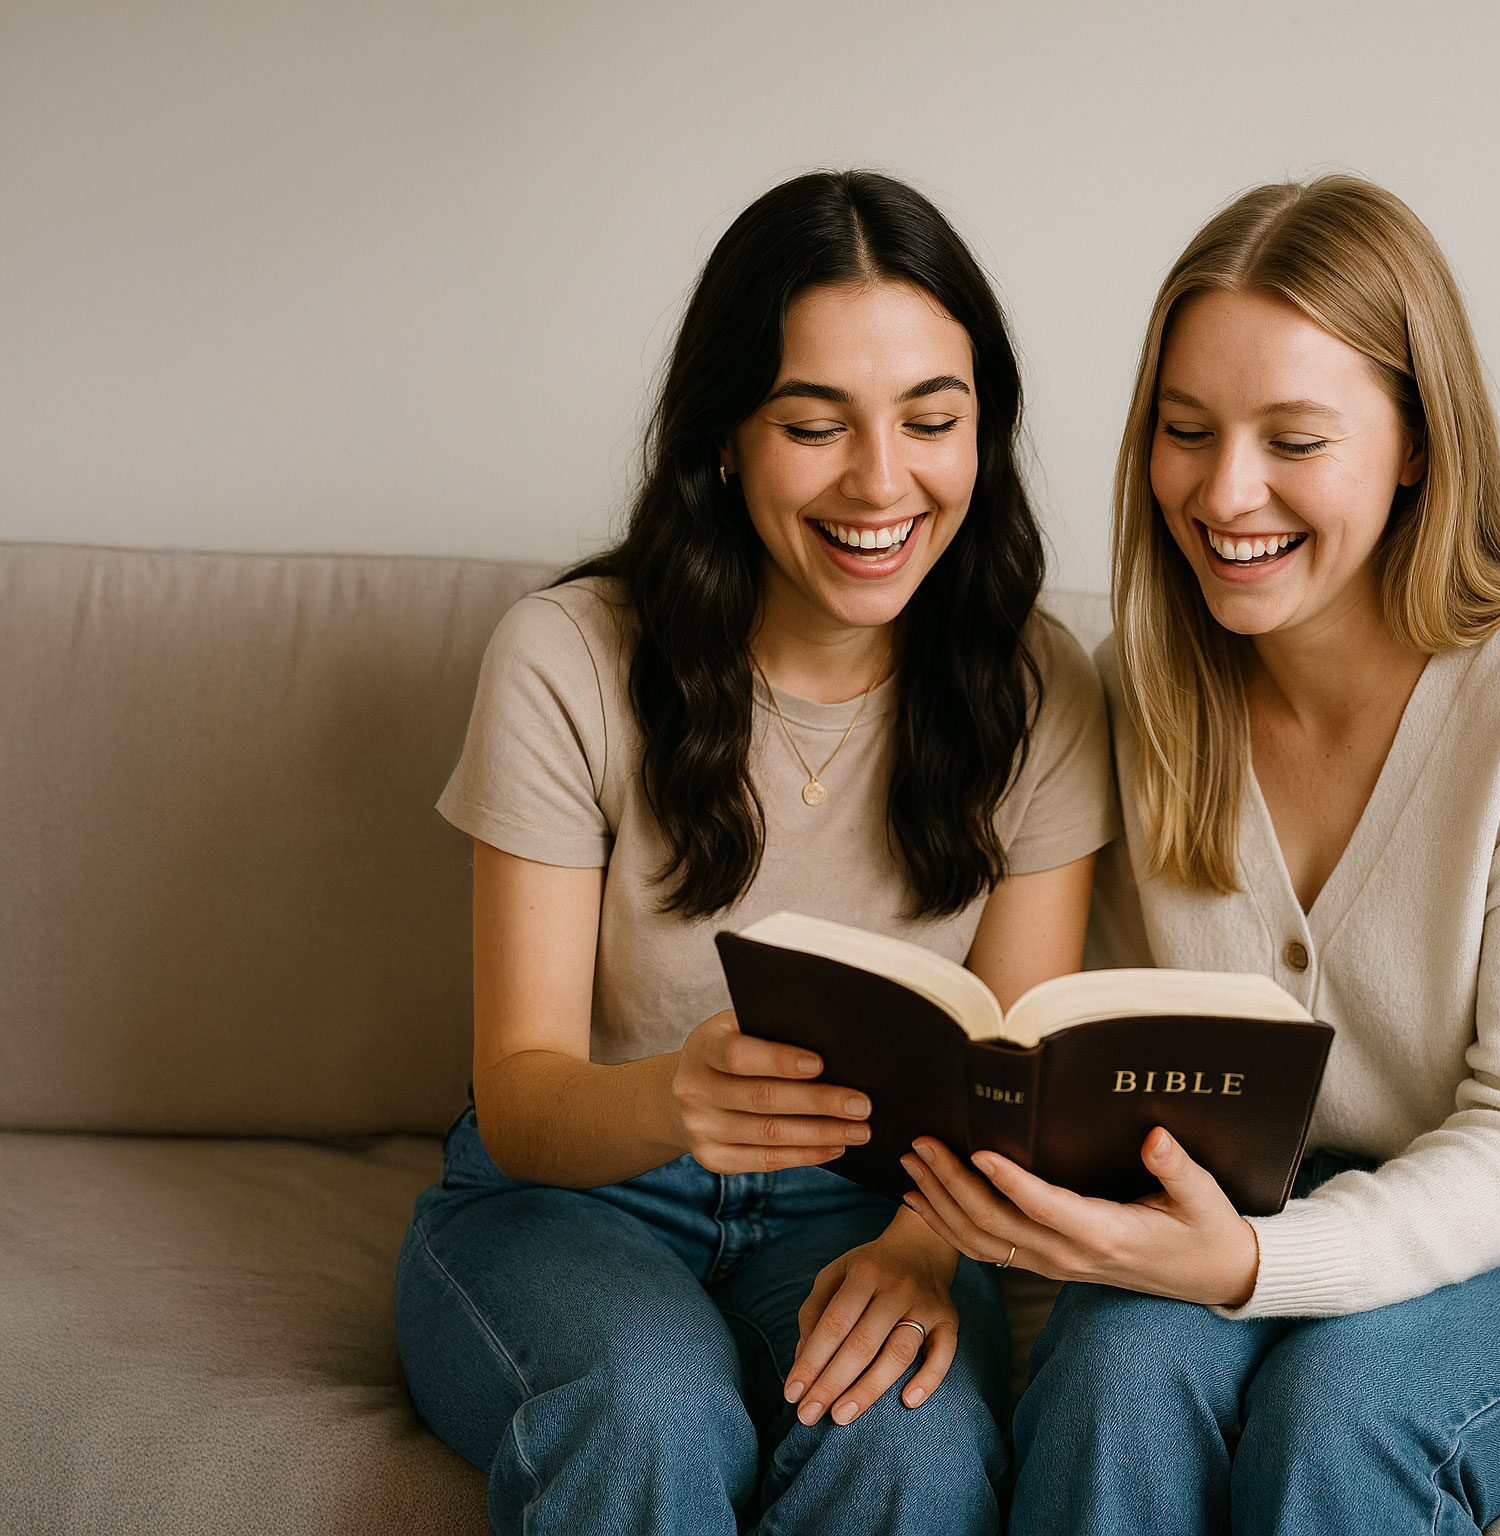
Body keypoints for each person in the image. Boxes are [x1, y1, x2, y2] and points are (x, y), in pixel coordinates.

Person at [899, 175, 1500, 1535]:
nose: (1226, 492)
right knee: (1115, 1370)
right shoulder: (1143, 695)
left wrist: (1256, 1264)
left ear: (1415, 442)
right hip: (1271, 1212)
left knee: (1348, 1408)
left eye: (1295, 439)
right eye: (1187, 431)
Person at [394, 169, 1116, 1536]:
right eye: (813, 423)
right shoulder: (568, 660)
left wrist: (918, 1251)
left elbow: (1007, 1087)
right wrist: (679, 1098)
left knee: (909, 1447)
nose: (882, 479)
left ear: (984, 436)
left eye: (932, 420)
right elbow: (523, 1097)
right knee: (646, 1407)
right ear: (727, 435)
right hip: (578, 1200)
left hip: (876, 1208)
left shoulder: (1040, 690)